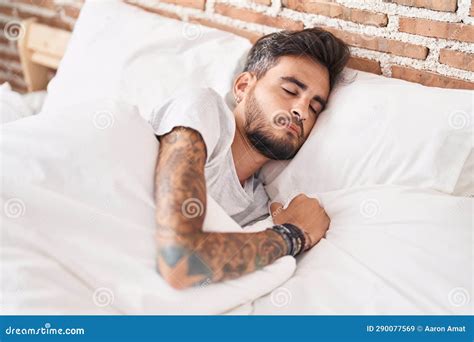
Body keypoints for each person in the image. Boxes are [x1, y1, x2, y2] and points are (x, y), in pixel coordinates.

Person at [150, 28, 350, 289]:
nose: (301, 110)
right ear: (243, 87)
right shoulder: (204, 110)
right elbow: (178, 263)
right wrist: (294, 234)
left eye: (314, 107)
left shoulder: (257, 210)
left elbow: (201, 273)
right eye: (290, 90)